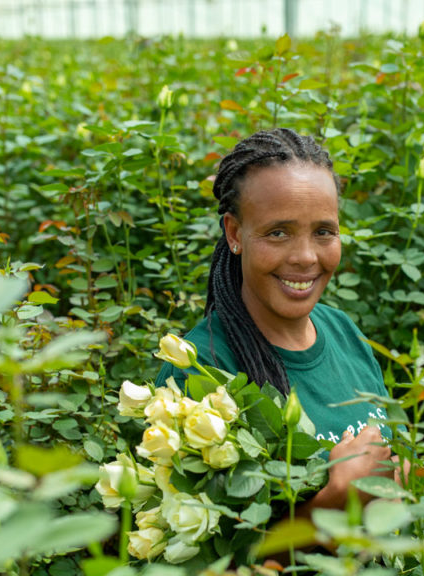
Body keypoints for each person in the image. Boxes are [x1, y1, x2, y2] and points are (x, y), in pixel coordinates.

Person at [155, 128, 394, 510]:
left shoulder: (343, 330)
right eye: (278, 232)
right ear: (235, 233)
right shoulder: (197, 372)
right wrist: (337, 500)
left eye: (324, 232)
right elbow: (202, 561)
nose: (305, 257)